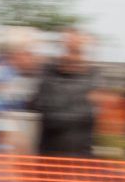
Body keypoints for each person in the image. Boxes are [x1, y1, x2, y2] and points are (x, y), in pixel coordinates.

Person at [31, 28, 101, 159]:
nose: (72, 57)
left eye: (77, 51)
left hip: (81, 154)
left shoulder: (93, 76)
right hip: (49, 154)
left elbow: (91, 114)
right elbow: (45, 111)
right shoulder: (48, 74)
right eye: (68, 50)